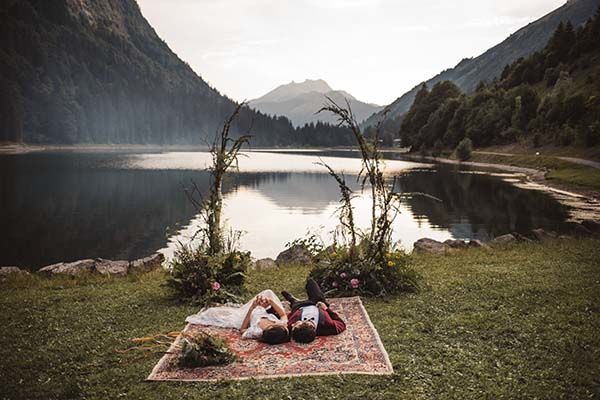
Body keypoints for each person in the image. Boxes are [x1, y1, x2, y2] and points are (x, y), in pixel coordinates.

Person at [185, 289, 289, 345]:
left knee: (211, 313)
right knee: (268, 292)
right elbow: (283, 314)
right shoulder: (280, 324)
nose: (274, 323)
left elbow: (243, 329)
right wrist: (270, 302)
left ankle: (241, 309)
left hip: (246, 316)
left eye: (272, 326)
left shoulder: (257, 331)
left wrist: (252, 307)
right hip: (261, 309)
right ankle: (255, 304)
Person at [282, 278, 346, 343]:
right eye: (295, 325)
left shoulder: (291, 325)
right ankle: (294, 300)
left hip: (299, 306)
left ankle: (292, 300)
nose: (293, 325)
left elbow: (288, 317)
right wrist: (326, 309)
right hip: (317, 303)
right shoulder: (328, 326)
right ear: (308, 324)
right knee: (311, 283)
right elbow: (341, 324)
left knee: (295, 303)